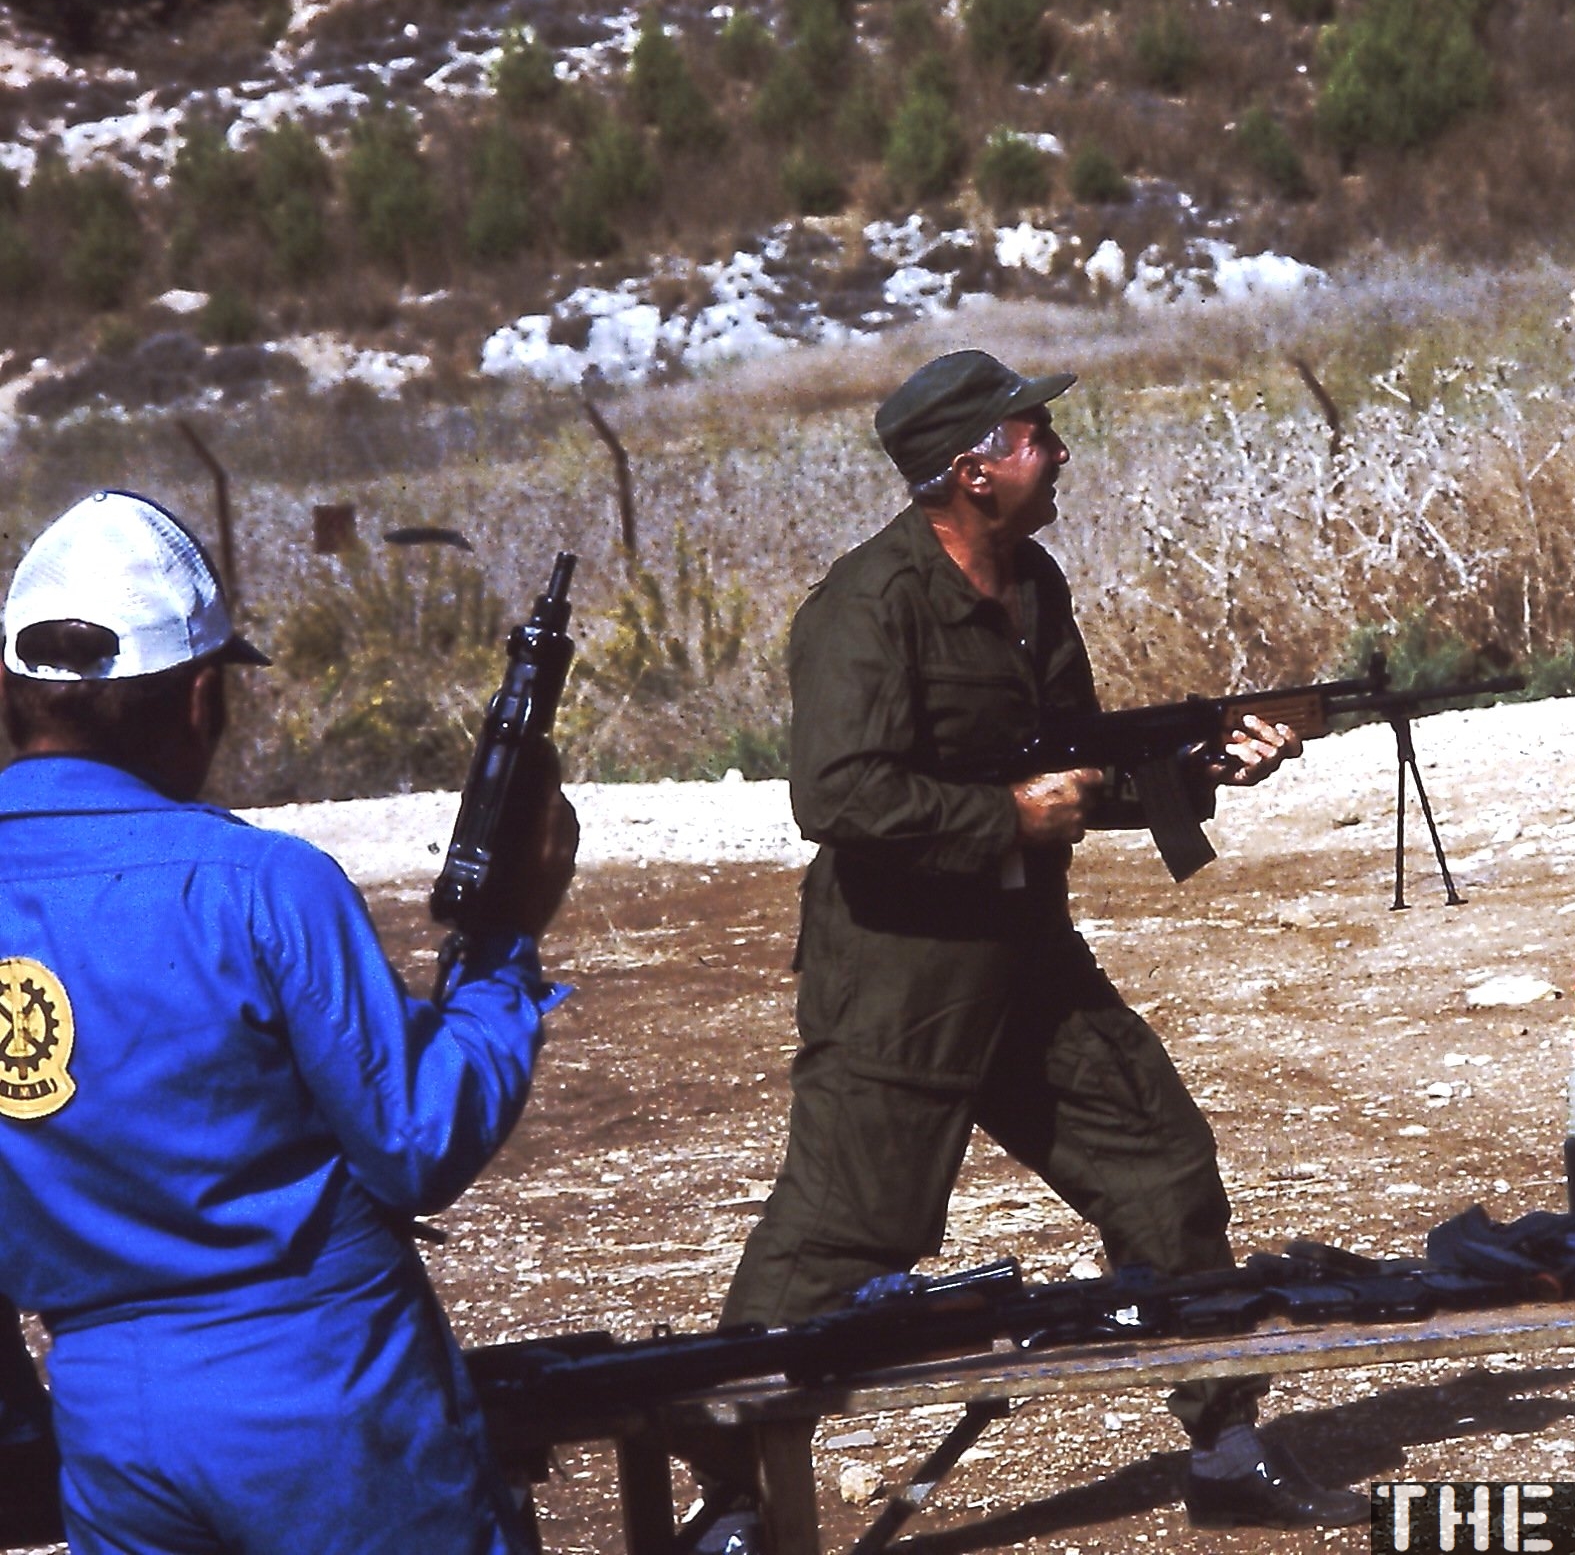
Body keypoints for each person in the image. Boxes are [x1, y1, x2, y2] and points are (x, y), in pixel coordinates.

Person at [714, 351, 1368, 1533]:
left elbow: (1068, 761)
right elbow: (837, 797)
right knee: (844, 1230)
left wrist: (1195, 766)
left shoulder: (1033, 585)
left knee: (1158, 1164)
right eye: (1033, 435)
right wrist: (999, 819)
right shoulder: (867, 607)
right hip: (898, 972)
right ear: (970, 471)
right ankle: (729, 1502)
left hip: (1024, 951)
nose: (1057, 450)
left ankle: (1222, 1449)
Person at [0, 490, 579, 1555]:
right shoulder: (261, 884)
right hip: (321, 1392)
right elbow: (414, 1142)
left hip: (106, 1417)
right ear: (199, 699)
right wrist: (502, 956)